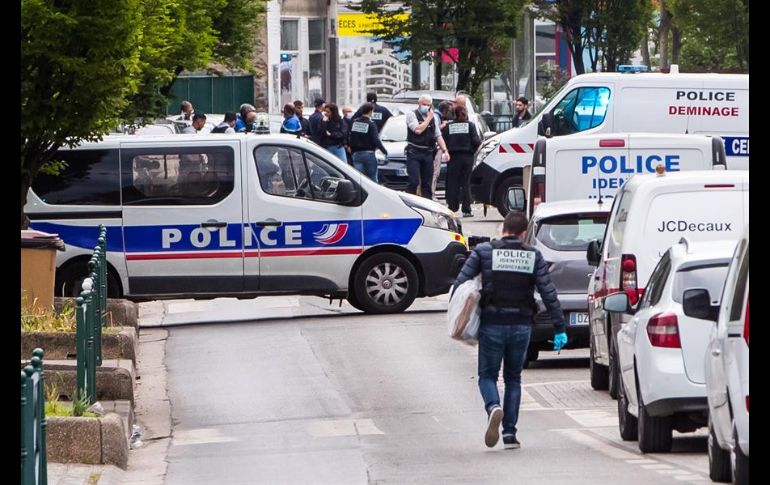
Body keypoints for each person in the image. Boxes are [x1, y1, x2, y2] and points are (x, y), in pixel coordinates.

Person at [452, 211, 567, 450]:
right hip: (522, 326)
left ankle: (494, 406)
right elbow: (548, 293)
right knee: (513, 379)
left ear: (503, 229)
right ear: (524, 233)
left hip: (492, 324)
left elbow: (461, 283)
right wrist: (559, 327)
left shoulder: (484, 252)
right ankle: (510, 434)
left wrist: (457, 313)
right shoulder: (533, 255)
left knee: (487, 376)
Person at [405, 94, 450, 199]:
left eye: (428, 105)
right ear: (419, 103)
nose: (426, 107)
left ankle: (427, 205)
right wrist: (428, 119)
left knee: (427, 183)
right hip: (414, 152)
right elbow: (418, 130)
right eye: (424, 104)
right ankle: (410, 201)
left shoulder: (433, 118)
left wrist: (445, 150)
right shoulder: (412, 115)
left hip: (428, 153)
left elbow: (438, 135)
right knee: (414, 181)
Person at [442, 105, 481, 217]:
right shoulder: (470, 126)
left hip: (453, 157)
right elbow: (476, 141)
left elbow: (444, 141)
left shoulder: (448, 127)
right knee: (466, 183)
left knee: (452, 183)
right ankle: (467, 209)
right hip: (467, 157)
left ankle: (452, 207)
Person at [349, 103, 388, 182]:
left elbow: (351, 137)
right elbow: (376, 140)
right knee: (372, 179)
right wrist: (384, 151)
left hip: (356, 154)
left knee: (359, 179)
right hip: (369, 154)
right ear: (370, 111)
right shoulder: (371, 124)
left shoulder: (355, 122)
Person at [432, 100, 455, 198]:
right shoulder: (436, 117)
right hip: (435, 148)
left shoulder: (436, 116)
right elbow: (435, 132)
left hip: (433, 148)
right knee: (434, 173)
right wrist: (443, 126)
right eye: (449, 111)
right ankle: (431, 194)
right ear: (445, 111)